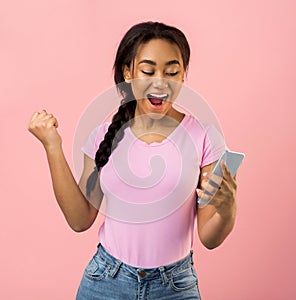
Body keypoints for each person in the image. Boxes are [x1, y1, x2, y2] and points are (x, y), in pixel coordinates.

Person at [28, 21, 238, 300]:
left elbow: (210, 238)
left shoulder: (205, 137)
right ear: (128, 73)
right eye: (148, 71)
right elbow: (79, 220)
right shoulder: (103, 135)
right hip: (106, 281)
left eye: (172, 71)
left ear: (183, 75)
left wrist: (228, 208)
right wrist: (52, 146)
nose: (160, 81)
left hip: (175, 286)